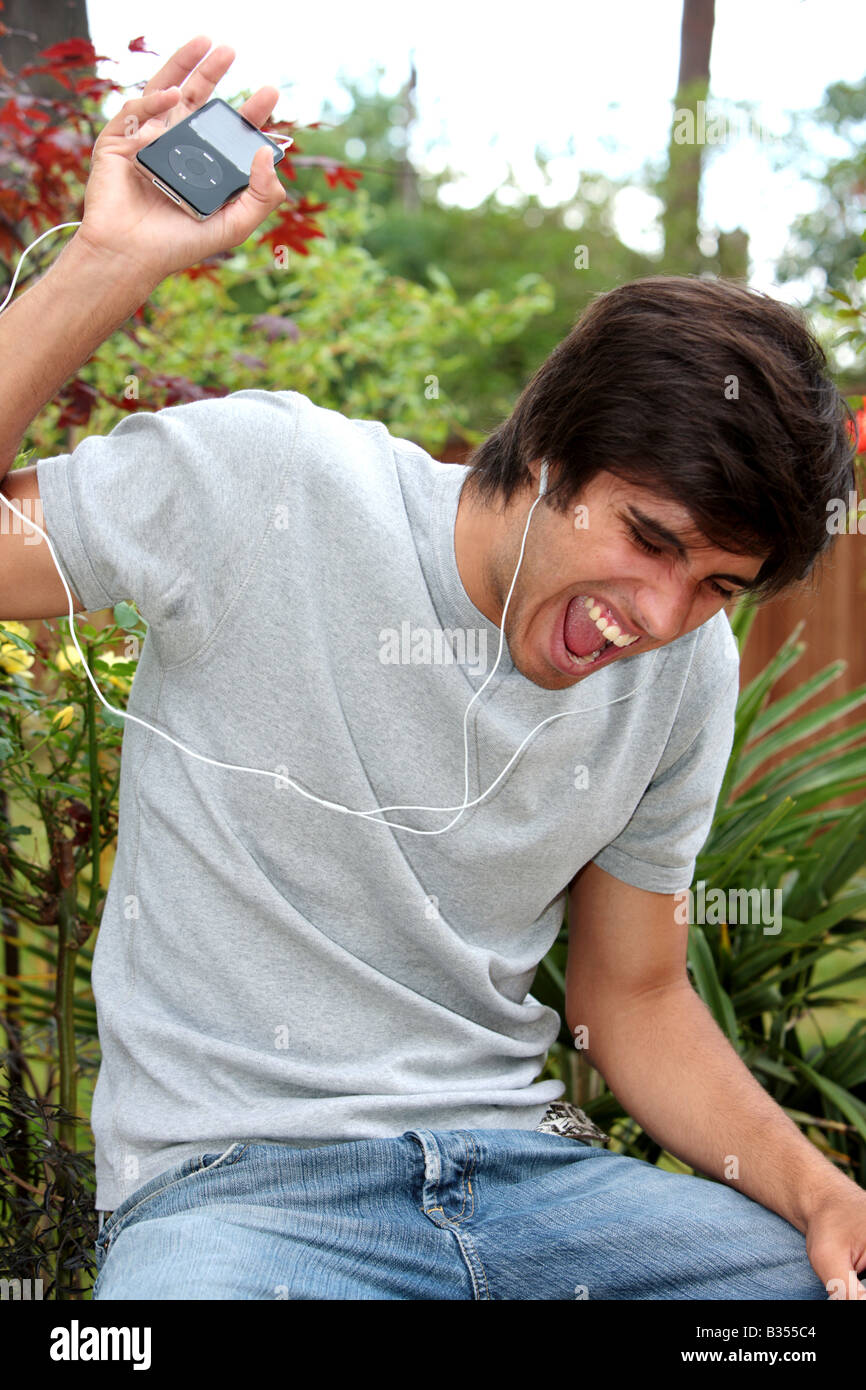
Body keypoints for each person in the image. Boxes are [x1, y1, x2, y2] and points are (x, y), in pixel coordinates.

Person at [1, 35, 864, 1302]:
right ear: (554, 452)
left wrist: (813, 1191)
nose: (660, 616)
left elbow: (631, 997)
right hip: (242, 1195)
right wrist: (107, 262)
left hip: (530, 1187)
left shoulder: (686, 671)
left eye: (715, 588)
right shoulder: (267, 487)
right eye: (647, 542)